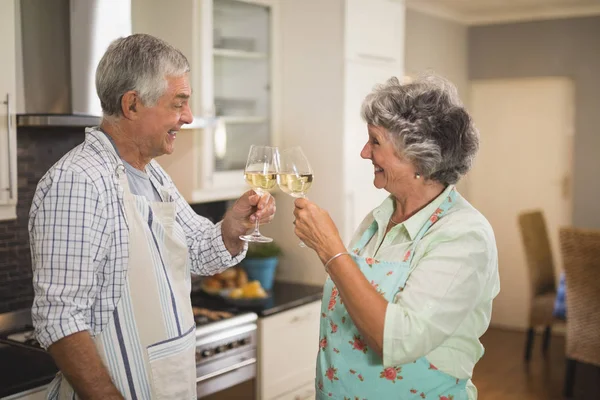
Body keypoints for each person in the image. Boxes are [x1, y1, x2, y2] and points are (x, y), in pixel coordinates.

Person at [29, 34, 275, 400]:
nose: (188, 117)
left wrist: (232, 227)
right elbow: (60, 319)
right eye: (179, 103)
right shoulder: (79, 181)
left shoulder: (152, 174)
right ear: (132, 105)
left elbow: (200, 251)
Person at [293, 74, 500, 399]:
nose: (364, 152)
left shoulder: (465, 236)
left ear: (417, 156)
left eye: (375, 141)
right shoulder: (377, 219)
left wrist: (330, 249)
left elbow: (396, 340)